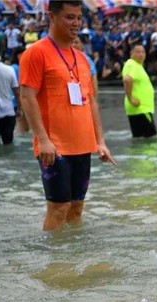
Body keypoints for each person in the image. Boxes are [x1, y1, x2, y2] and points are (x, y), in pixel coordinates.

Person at [19, 0, 116, 232]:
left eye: (79, 18)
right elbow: (27, 97)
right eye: (70, 17)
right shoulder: (36, 53)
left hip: (83, 144)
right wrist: (42, 139)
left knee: (76, 208)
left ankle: (73, 252)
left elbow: (91, 101)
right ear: (52, 17)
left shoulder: (82, 59)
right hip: (54, 146)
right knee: (58, 208)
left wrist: (100, 141)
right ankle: (52, 255)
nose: (76, 23)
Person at [122, 45, 157, 139]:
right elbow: (127, 80)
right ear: (131, 53)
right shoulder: (132, 64)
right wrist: (130, 99)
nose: (141, 54)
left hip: (138, 109)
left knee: (139, 139)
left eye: (143, 52)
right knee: (152, 139)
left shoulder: (137, 66)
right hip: (141, 108)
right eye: (137, 52)